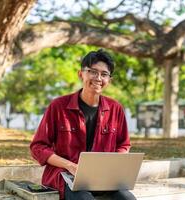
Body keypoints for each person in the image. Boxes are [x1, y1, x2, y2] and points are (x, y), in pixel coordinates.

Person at [30, 49, 136, 200]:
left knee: (128, 199)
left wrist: (111, 167)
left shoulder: (115, 108)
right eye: (93, 72)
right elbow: (38, 147)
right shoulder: (58, 106)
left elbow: (124, 145)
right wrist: (70, 166)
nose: (98, 78)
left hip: (103, 177)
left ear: (109, 80)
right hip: (64, 175)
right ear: (81, 74)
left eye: (104, 74)